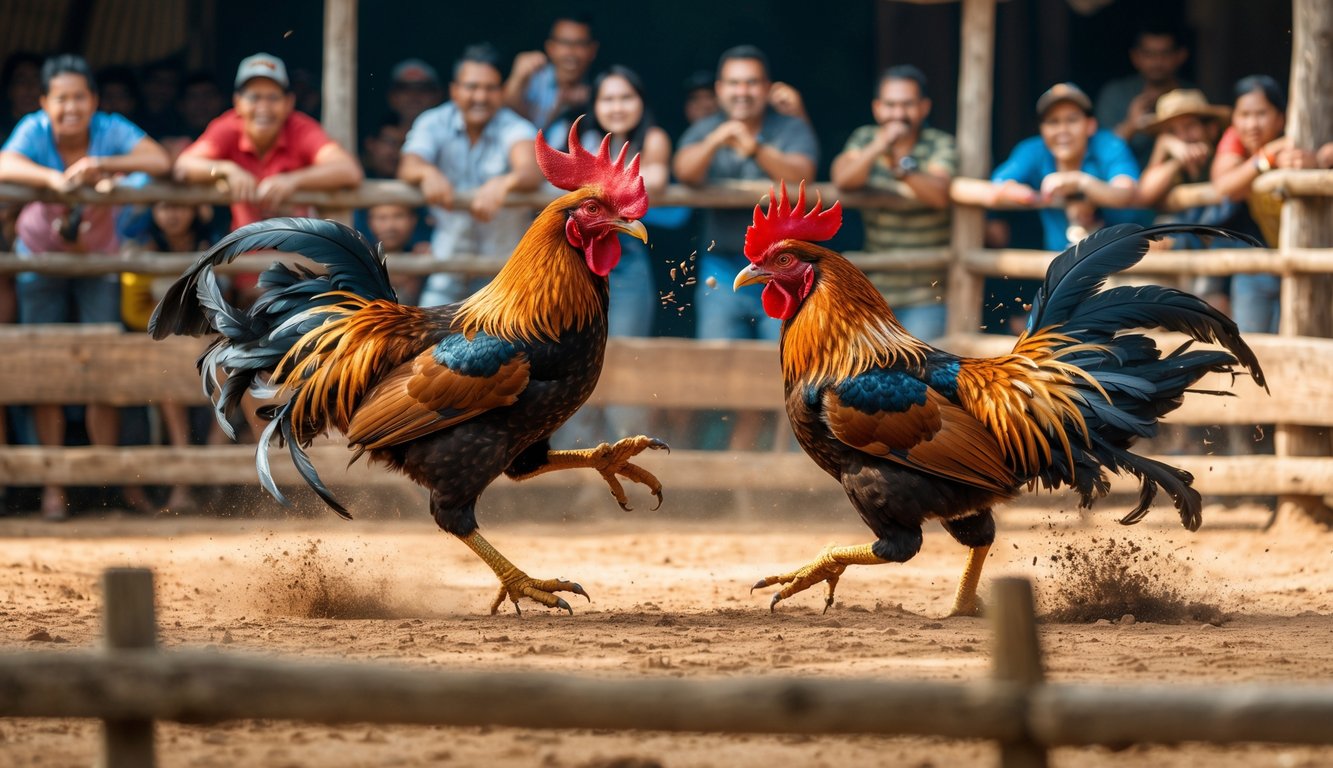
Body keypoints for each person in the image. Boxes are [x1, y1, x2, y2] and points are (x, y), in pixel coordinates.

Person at [0, 54, 171, 520]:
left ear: (94, 101)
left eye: (79, 97)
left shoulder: (109, 130)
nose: (70, 107)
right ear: (44, 103)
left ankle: (108, 483)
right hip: (41, 260)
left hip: (99, 260)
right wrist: (53, 180)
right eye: (61, 99)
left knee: (103, 365)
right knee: (45, 368)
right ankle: (54, 486)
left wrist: (101, 166)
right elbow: (4, 162)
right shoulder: (33, 130)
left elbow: (158, 160)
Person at [673, 45, 817, 449]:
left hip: (782, 273)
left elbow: (802, 175)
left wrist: (753, 146)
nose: (742, 91)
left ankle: (781, 460)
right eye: (734, 83)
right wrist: (717, 139)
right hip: (721, 268)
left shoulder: (789, 127)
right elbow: (684, 171)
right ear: (720, 89)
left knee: (787, 365)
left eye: (751, 83)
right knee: (716, 366)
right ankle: (714, 459)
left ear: (766, 87)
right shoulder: (707, 128)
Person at [173, 52, 363, 303]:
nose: (263, 107)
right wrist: (225, 169)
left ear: (289, 102)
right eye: (254, 97)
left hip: (299, 271)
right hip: (244, 270)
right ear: (237, 102)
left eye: (273, 97)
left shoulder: (300, 128)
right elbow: (184, 165)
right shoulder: (229, 126)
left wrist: (293, 180)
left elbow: (348, 170)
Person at [399, 43, 541, 308]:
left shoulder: (515, 126)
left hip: (503, 271)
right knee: (430, 331)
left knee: (502, 335)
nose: (480, 96)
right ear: (454, 90)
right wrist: (426, 172)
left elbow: (531, 170)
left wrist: (505, 182)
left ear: (501, 91)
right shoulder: (433, 122)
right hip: (447, 265)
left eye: (490, 88)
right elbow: (409, 164)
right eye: (472, 87)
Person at [831, 65, 957, 340]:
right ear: (877, 108)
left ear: (924, 107)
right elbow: (842, 179)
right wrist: (880, 146)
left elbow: (938, 194)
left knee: (917, 366)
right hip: (874, 292)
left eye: (907, 104)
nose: (898, 114)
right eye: (890, 105)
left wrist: (901, 167)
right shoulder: (865, 138)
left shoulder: (940, 143)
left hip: (928, 294)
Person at [954, 82, 1141, 253]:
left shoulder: (1109, 145)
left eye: (1072, 120)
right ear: (1041, 129)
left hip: (1126, 257)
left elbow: (1125, 192)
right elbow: (999, 184)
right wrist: (1035, 197)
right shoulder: (1033, 150)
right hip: (1062, 264)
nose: (1062, 130)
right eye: (1053, 122)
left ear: (1090, 125)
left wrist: (1079, 182)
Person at [122, 201, 216, 513]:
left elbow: (224, 307)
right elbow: (135, 313)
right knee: (168, 383)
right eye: (163, 207)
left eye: (179, 207)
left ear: (195, 210)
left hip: (206, 347)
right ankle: (183, 484)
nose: (173, 214)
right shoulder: (141, 249)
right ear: (153, 211)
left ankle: (214, 478)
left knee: (232, 378)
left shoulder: (212, 245)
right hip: (161, 349)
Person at [1210, 75, 1317, 334]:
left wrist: (1317, 161)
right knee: (1253, 340)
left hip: (1314, 260)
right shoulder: (1237, 139)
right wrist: (1267, 159)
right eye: (1244, 115)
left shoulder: (1305, 135)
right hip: (1266, 258)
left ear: (1281, 118)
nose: (1252, 124)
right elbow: (1224, 186)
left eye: (1261, 114)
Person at [581, 65, 672, 338]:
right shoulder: (585, 139)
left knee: (626, 344)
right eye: (608, 99)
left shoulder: (654, 138)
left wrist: (595, 186)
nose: (617, 107)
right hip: (581, 254)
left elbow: (655, 180)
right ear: (595, 105)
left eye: (626, 98)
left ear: (641, 100)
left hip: (626, 250)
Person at [1135, 88, 1231, 310]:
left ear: (1211, 129)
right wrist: (1173, 154)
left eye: (1189, 126)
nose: (1183, 137)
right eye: (1173, 131)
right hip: (1182, 282)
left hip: (1223, 275)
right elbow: (1144, 194)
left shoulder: (1224, 161)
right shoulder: (1174, 168)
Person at [1095, 26, 1192, 168]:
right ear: (1135, 57)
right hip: (1124, 177)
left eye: (1165, 54)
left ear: (1180, 56)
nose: (1157, 61)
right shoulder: (1115, 94)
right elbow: (1098, 155)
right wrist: (1130, 125)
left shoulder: (1192, 96)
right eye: (1149, 54)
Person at [504, 14, 598, 139]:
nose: (571, 52)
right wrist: (517, 78)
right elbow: (505, 113)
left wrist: (591, 99)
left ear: (592, 50)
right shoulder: (533, 77)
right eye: (564, 43)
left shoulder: (599, 87)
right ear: (550, 47)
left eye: (580, 44)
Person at [365, 202, 430, 306]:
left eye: (398, 216)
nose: (390, 226)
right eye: (382, 218)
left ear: (413, 220)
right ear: (370, 222)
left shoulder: (424, 256)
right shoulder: (361, 261)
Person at [385, 58, 444, 132]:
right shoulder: (378, 137)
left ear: (437, 95)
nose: (414, 95)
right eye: (404, 88)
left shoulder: (452, 137)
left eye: (424, 88)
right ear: (392, 96)